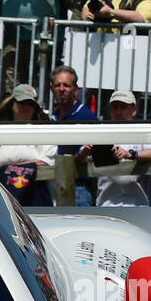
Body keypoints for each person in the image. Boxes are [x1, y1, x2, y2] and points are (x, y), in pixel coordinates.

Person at [0, 83, 55, 206]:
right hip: (0, 194)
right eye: (21, 103)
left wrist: (7, 165)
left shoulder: (44, 130)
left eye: (30, 104)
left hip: (36, 194)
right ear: (12, 104)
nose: (26, 107)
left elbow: (46, 161)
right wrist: (29, 164)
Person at [96, 89, 151, 206]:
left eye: (123, 107)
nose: (118, 111)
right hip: (106, 205)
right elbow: (88, 163)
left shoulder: (142, 131)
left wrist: (131, 154)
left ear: (134, 110)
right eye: (115, 107)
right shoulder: (101, 133)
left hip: (137, 206)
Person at [50, 63, 99, 204]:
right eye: (57, 85)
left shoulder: (87, 117)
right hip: (53, 186)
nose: (61, 89)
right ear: (51, 89)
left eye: (66, 85)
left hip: (79, 190)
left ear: (76, 89)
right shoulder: (53, 117)